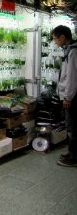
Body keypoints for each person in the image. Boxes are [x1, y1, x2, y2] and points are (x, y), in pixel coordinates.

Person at [51, 25, 77, 166]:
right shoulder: (70, 50)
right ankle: (72, 153)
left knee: (72, 127)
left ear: (62, 37)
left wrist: (68, 97)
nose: (55, 42)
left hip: (72, 98)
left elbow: (72, 77)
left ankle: (73, 158)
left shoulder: (73, 52)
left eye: (55, 38)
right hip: (71, 96)